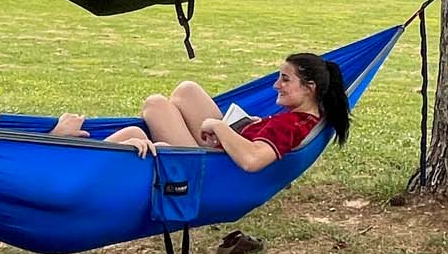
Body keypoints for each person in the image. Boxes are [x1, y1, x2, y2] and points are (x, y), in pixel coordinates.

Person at [100, 53, 350, 171]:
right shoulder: (314, 115)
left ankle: (82, 154)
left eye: (285, 79)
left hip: (207, 166)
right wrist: (254, 125)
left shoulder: (288, 125)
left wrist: (218, 126)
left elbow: (252, 160)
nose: (276, 86)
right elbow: (272, 140)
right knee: (186, 90)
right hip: (225, 145)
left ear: (310, 88)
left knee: (155, 105)